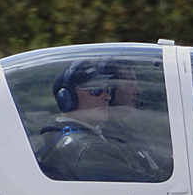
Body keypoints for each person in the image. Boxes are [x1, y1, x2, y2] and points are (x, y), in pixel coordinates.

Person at [36, 58, 165, 183]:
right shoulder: (88, 148)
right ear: (67, 98)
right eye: (96, 91)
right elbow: (147, 187)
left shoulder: (63, 135)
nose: (107, 97)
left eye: (106, 90)